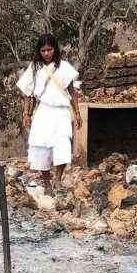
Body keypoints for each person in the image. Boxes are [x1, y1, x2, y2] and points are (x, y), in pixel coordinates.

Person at [17, 34, 82, 195]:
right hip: (43, 111)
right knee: (41, 147)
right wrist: (26, 114)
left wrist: (77, 112)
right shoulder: (34, 68)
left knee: (62, 145)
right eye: (43, 50)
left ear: (55, 49)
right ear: (39, 51)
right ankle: (47, 184)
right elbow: (27, 93)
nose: (47, 53)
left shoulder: (65, 67)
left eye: (50, 49)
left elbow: (72, 91)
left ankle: (58, 180)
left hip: (61, 112)